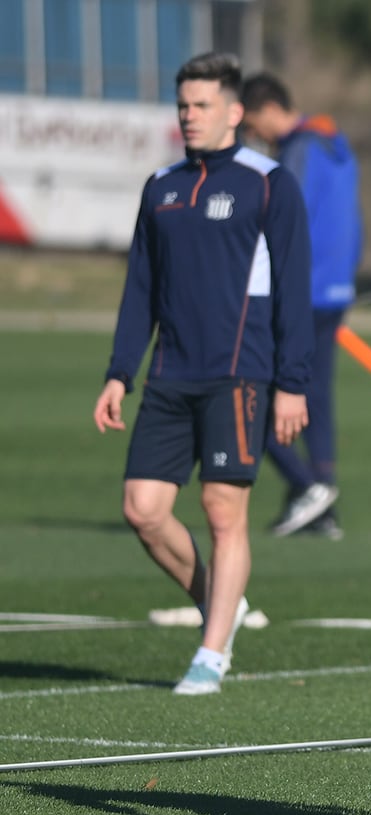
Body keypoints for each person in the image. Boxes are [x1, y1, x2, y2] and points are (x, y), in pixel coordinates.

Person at [93, 52, 313, 696]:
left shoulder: (268, 182)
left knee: (223, 511)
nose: (189, 116)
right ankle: (224, 599)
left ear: (234, 111)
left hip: (239, 373)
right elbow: (140, 288)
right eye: (183, 105)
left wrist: (292, 381)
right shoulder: (160, 186)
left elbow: (294, 289)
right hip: (167, 374)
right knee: (143, 509)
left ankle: (211, 654)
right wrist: (118, 373)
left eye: (201, 105)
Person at [240, 72, 363, 541]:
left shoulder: (299, 149)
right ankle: (322, 503)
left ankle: (307, 484)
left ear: (268, 109)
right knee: (315, 396)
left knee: (257, 392)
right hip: (335, 290)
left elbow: (283, 223)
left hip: (300, 293)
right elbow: (355, 220)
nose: (255, 136)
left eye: (253, 125)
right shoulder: (338, 145)